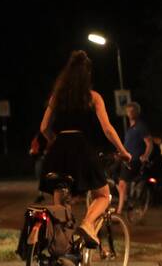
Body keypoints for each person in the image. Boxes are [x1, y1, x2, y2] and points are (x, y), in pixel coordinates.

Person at [38, 50, 131, 247]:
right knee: (103, 195)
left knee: (59, 206)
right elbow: (107, 129)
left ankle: (58, 259)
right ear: (87, 74)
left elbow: (44, 127)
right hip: (81, 151)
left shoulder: (57, 97)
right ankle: (88, 224)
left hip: (58, 152)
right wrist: (123, 151)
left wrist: (55, 140)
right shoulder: (93, 97)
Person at [115, 102, 152, 215]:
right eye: (128, 111)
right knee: (111, 173)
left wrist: (145, 156)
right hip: (125, 159)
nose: (130, 113)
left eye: (133, 111)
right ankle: (124, 196)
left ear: (137, 112)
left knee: (122, 184)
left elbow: (149, 143)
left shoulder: (141, 127)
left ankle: (119, 211)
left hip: (134, 160)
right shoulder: (130, 129)